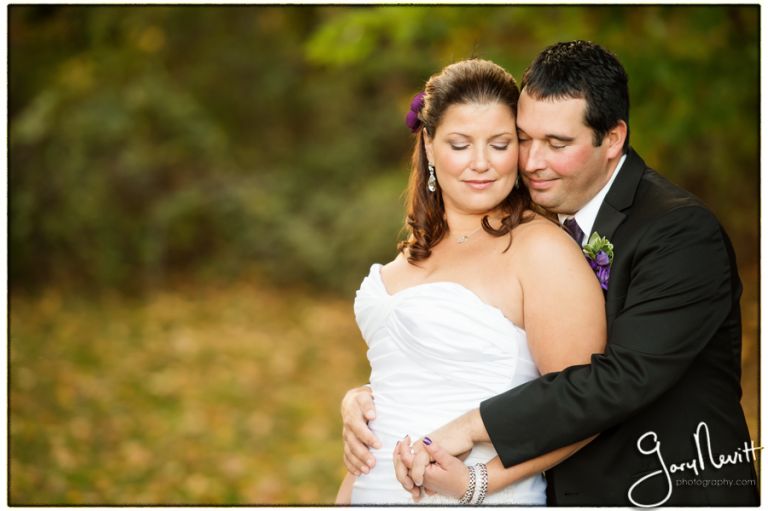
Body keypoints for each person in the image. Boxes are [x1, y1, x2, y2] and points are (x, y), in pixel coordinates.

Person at [342, 41, 759, 506]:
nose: (531, 162)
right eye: (523, 139)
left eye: (557, 144)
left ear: (613, 139)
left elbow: (619, 379)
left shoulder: (679, 231)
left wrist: (471, 435)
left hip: (665, 486)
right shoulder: (540, 217)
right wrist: (375, 399)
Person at [335, 58, 607, 504]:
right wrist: (359, 398)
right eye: (460, 145)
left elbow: (584, 408)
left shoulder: (541, 252)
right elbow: (413, 376)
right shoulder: (414, 252)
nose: (480, 164)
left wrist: (479, 481)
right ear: (429, 144)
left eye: (499, 145)